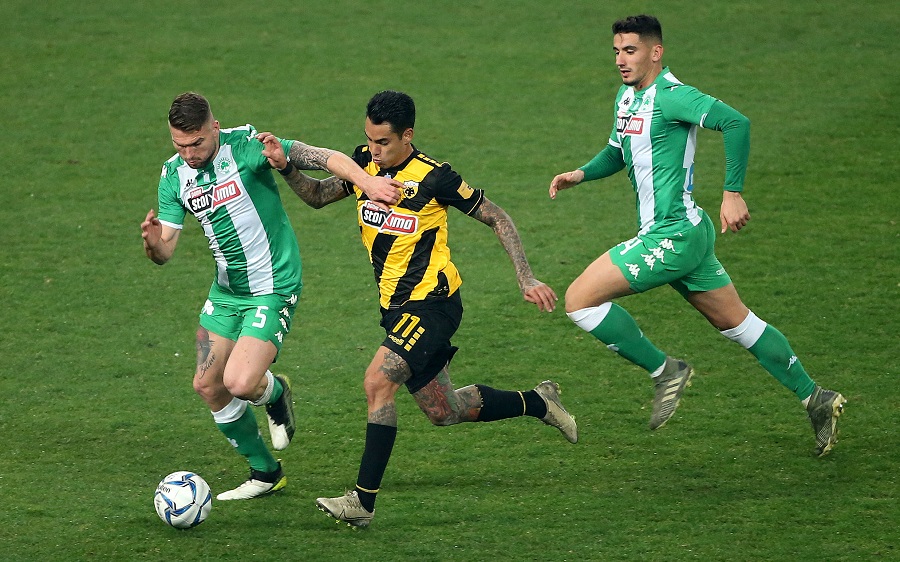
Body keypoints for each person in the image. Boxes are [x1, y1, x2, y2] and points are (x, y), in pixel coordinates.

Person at [258, 90, 577, 527]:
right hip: (396, 310)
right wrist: (286, 167)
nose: (373, 150)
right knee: (445, 410)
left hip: (433, 305)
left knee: (378, 382)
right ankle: (539, 402)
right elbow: (315, 195)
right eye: (369, 139)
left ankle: (362, 503)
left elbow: (497, 217)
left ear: (407, 136)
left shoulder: (434, 178)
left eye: (383, 142)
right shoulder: (364, 166)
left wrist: (526, 277)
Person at [549, 15, 846, 456]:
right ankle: (815, 397)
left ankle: (665, 371)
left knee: (579, 300)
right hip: (686, 233)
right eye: (616, 51)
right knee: (739, 324)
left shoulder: (674, 97)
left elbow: (736, 123)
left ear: (656, 52)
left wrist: (732, 193)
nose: (620, 60)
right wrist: (581, 173)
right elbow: (617, 151)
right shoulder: (627, 97)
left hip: (671, 236)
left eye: (630, 50)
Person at [141, 92, 401, 501]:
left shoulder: (248, 146)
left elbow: (325, 157)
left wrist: (367, 182)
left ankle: (275, 393)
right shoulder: (174, 175)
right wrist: (154, 244)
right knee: (208, 386)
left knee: (240, 382)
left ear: (214, 127)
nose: (189, 154)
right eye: (180, 145)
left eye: (197, 143)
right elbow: (165, 251)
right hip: (227, 292)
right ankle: (265, 473)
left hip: (273, 284)